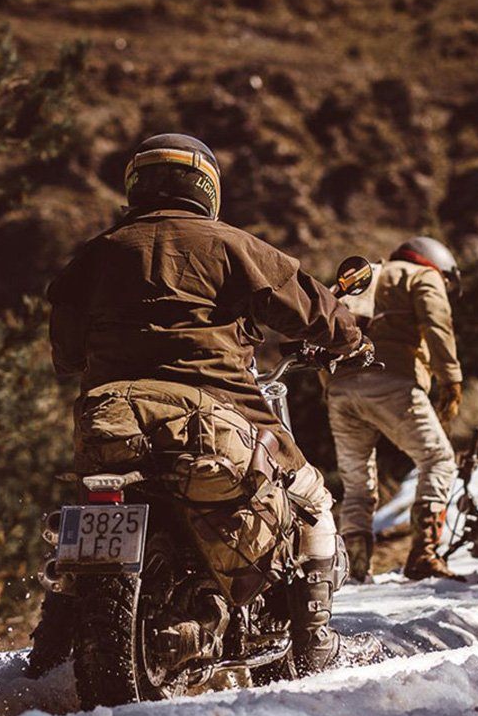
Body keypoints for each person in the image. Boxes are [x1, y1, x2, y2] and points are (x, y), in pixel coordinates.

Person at [44, 133, 367, 668]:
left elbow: (66, 355)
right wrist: (351, 339)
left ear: (136, 186)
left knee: (81, 513)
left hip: (113, 417)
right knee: (312, 502)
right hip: (219, 408)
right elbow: (312, 308)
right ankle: (313, 648)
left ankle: (51, 642)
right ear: (205, 187)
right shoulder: (231, 245)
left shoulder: (95, 255)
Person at [326, 236, 464, 582]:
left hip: (340, 389)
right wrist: (451, 379)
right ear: (440, 266)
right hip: (393, 381)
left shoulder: (360, 275)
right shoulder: (421, 275)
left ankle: (356, 569)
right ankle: (424, 554)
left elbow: (322, 326)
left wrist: (329, 387)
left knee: (357, 483)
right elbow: (436, 324)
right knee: (438, 459)